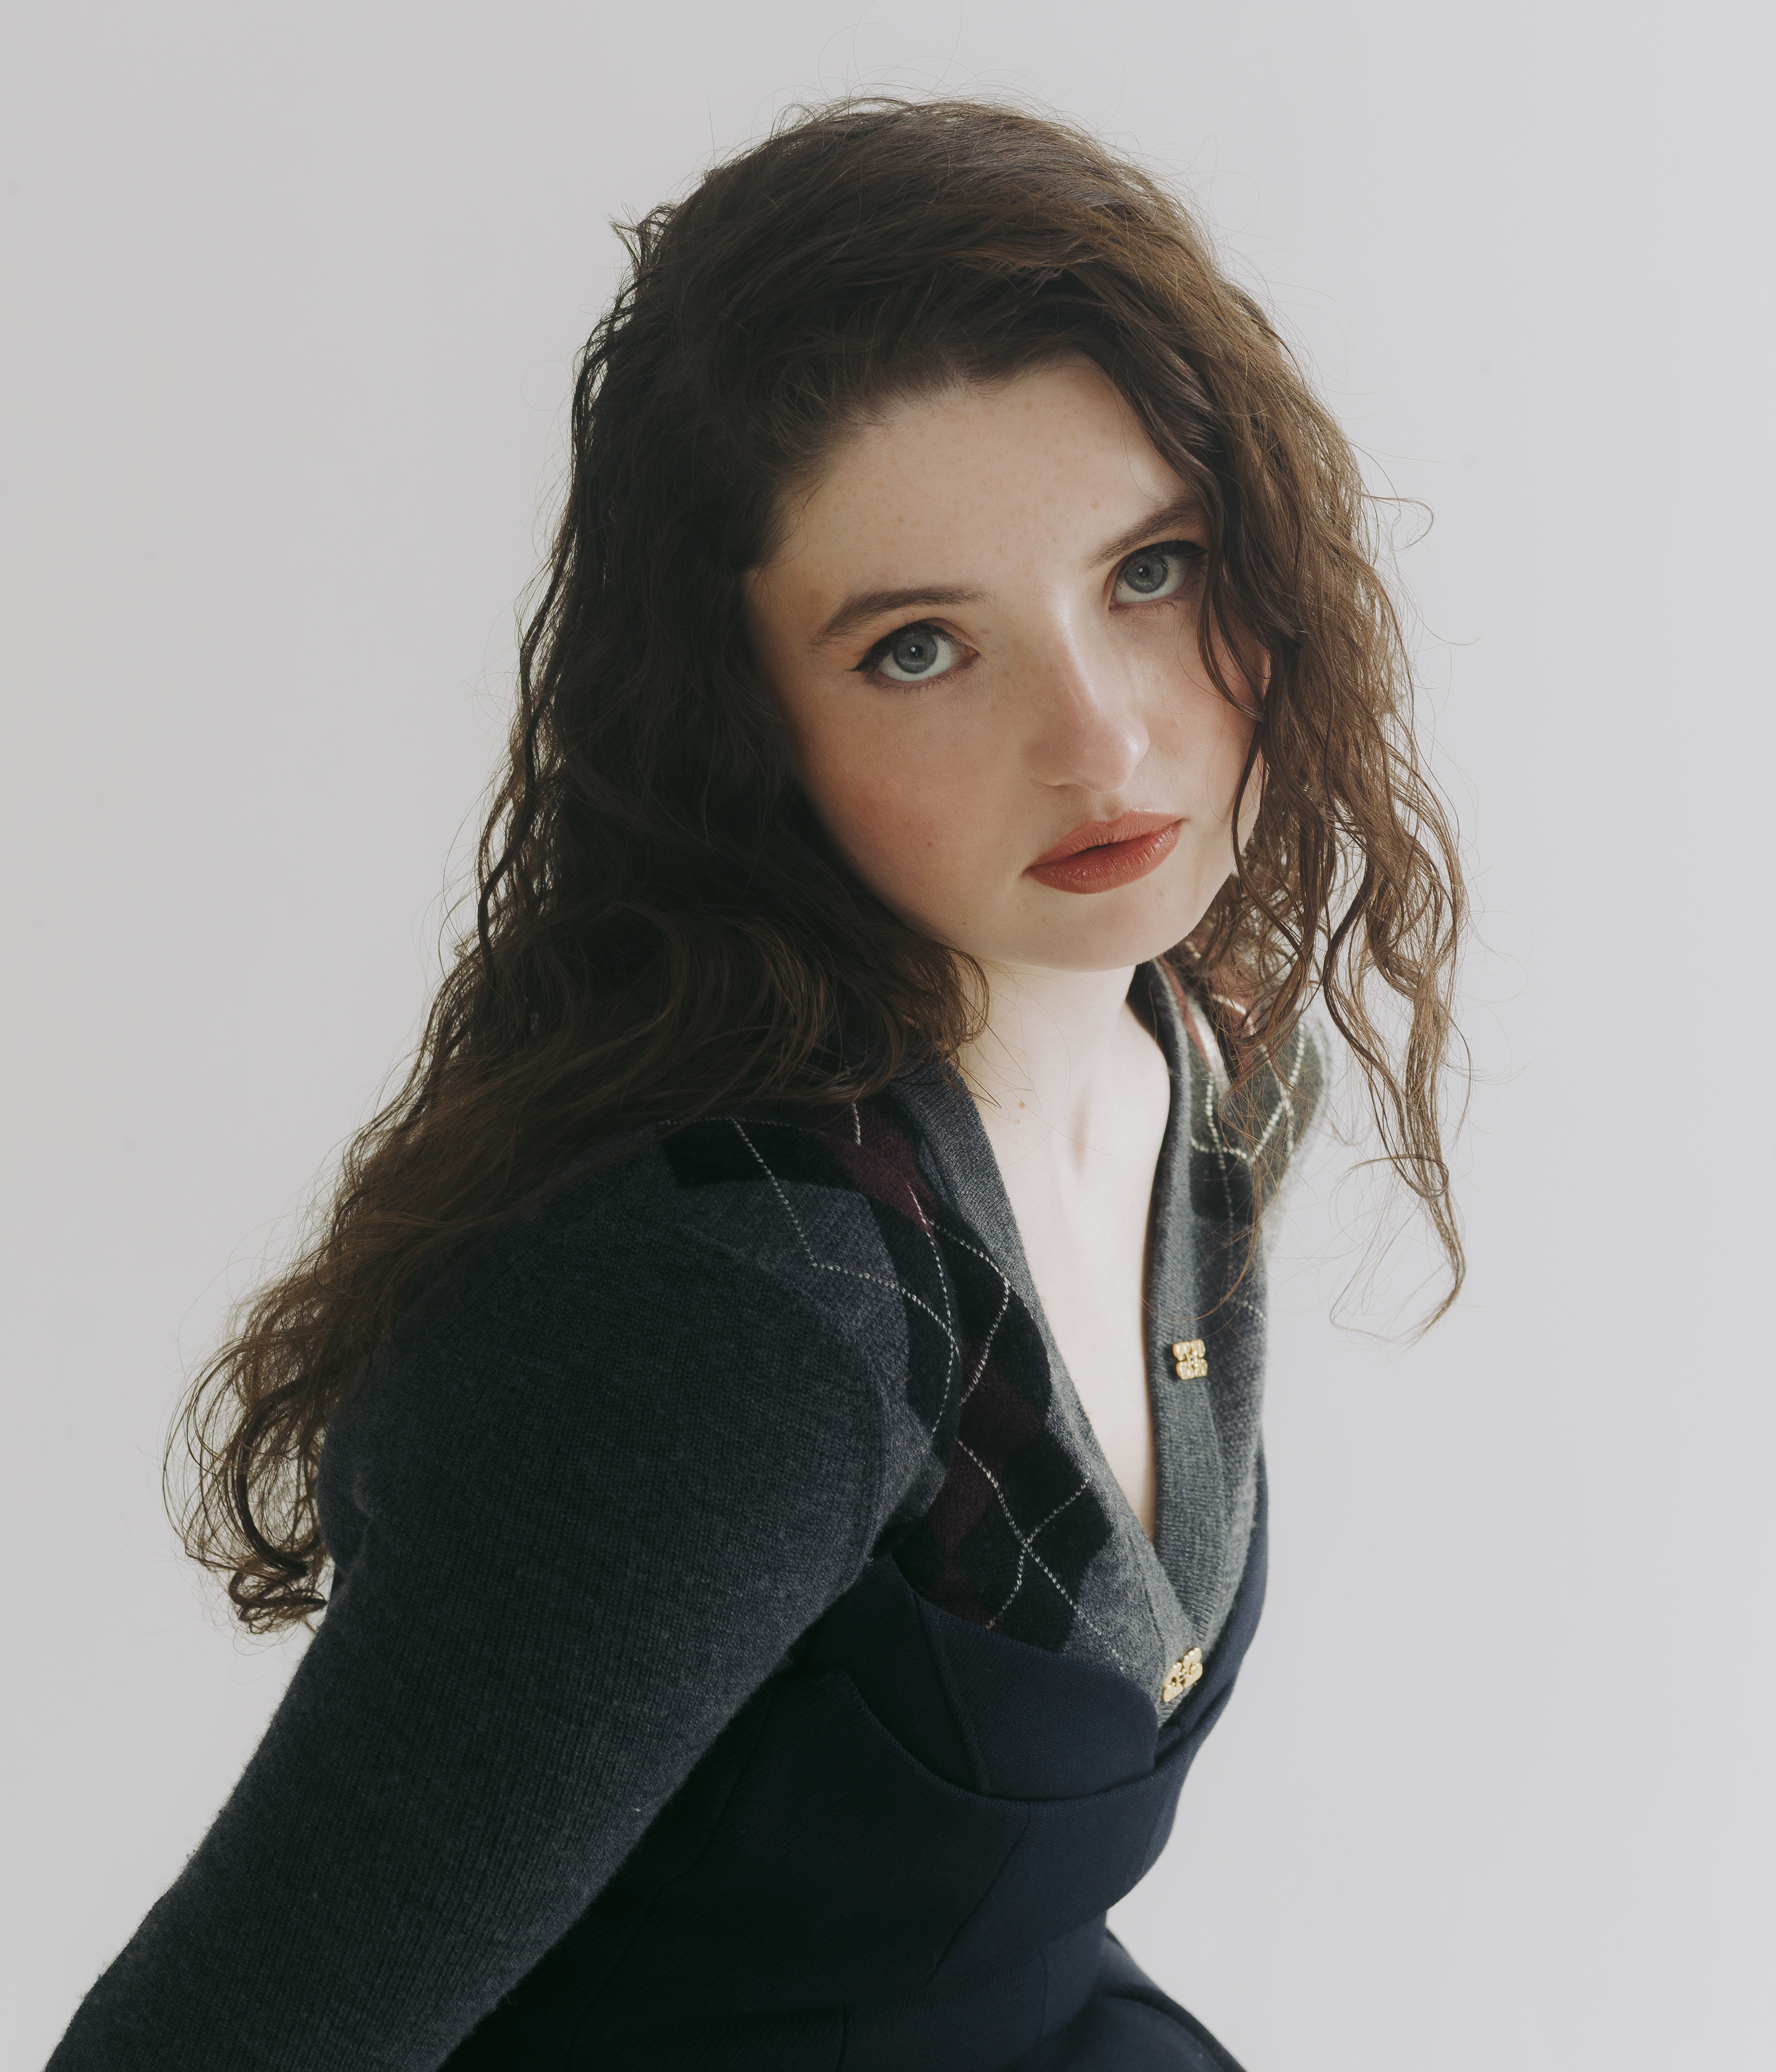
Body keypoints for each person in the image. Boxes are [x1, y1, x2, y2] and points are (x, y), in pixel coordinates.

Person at [47, 96, 1464, 2071]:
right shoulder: (737, 1317)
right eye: (913, 650)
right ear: (745, 729)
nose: (1101, 739)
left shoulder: (1207, 1045)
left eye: (1151, 569)